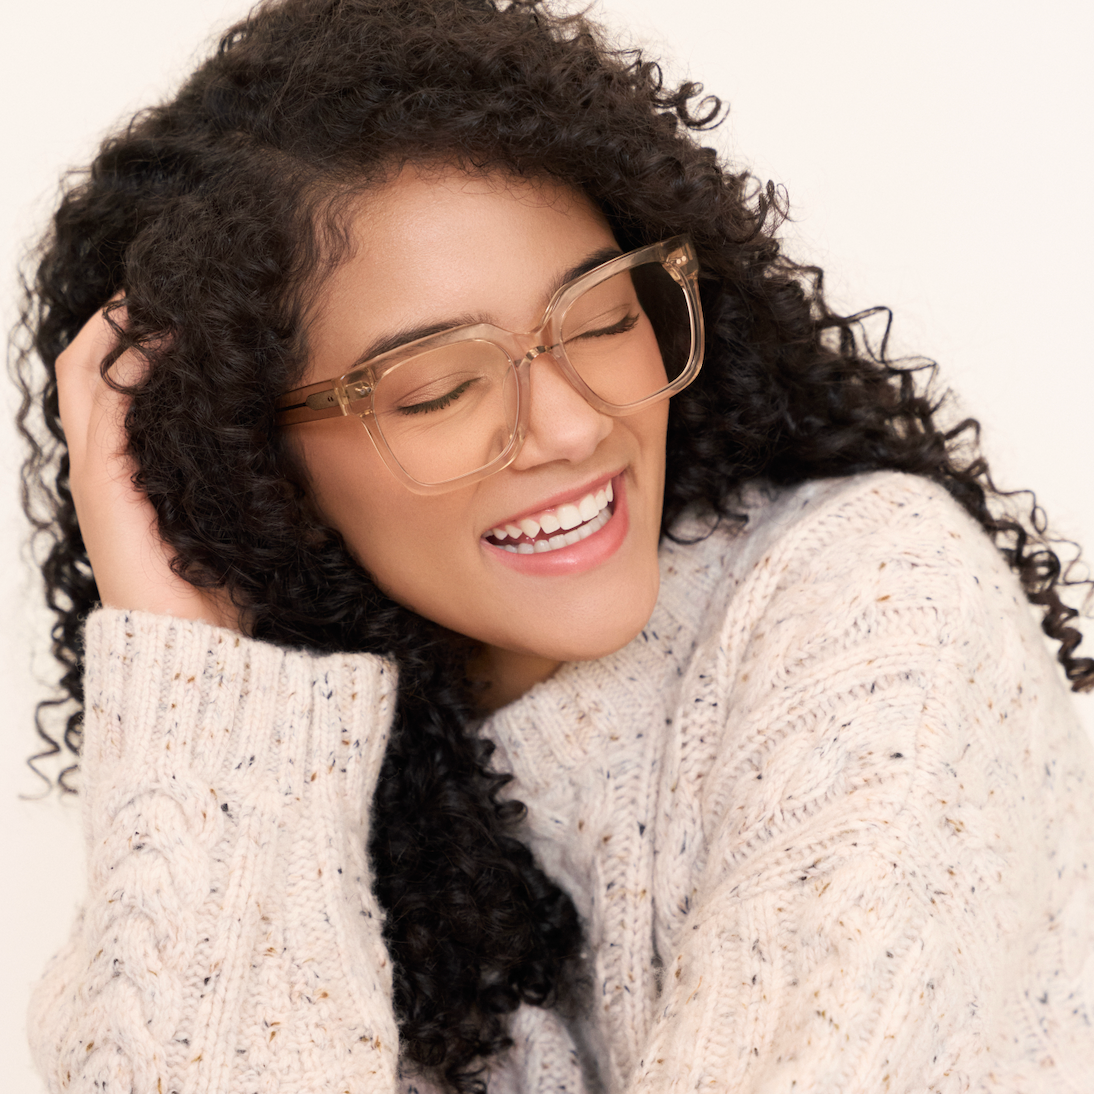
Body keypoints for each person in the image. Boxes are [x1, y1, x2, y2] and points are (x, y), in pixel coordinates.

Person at [15, 0, 1094, 1091]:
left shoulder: (867, 602)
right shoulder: (292, 789)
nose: (575, 424)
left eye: (599, 320)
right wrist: (202, 690)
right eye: (438, 388)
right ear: (255, 459)